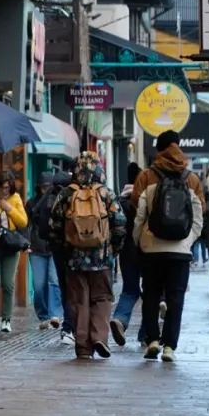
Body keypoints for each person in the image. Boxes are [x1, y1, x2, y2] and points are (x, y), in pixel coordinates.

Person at [47, 152, 126, 360]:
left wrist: (63, 249)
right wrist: (113, 250)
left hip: (74, 259)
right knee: (101, 297)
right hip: (102, 259)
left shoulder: (66, 194)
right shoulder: (106, 194)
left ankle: (83, 346)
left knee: (79, 300)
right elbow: (119, 224)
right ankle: (99, 336)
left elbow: (53, 227)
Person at [133, 141, 204, 362]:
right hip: (180, 253)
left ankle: (153, 340)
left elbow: (138, 219)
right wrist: (187, 242)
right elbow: (198, 221)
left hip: (152, 250)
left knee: (151, 296)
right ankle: (169, 347)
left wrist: (141, 242)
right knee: (176, 298)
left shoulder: (150, 186)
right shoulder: (190, 184)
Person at [0, 169, 28, 333]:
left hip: (10, 246)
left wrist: (9, 208)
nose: (5, 191)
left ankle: (6, 319)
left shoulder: (15, 198)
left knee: (8, 284)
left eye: (8, 188)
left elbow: (23, 222)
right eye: (2, 187)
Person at [110, 162, 145, 347]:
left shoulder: (118, 202)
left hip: (126, 251)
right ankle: (146, 334)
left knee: (129, 289)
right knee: (150, 291)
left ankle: (120, 319)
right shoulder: (143, 199)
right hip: (146, 249)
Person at [25, 172, 63, 330]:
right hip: (37, 249)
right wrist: (26, 242)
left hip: (54, 248)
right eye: (43, 187)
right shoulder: (32, 203)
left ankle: (54, 315)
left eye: (48, 187)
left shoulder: (58, 200)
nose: (45, 190)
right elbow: (25, 224)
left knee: (53, 281)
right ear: (39, 187)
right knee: (38, 285)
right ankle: (43, 315)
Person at [47, 170, 76, 346]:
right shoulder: (79, 193)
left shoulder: (56, 198)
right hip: (82, 251)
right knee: (79, 290)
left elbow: (51, 227)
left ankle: (68, 328)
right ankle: (73, 328)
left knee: (65, 288)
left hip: (59, 251)